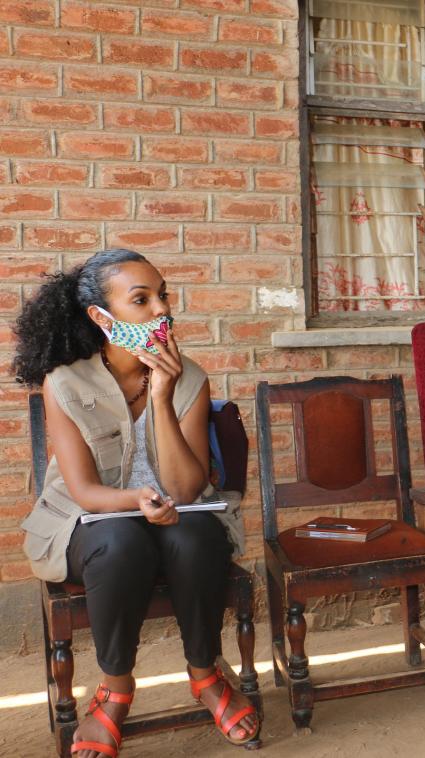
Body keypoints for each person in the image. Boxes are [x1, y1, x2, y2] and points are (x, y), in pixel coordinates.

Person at [15, 249, 256, 758]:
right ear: (102, 318)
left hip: (176, 512)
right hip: (91, 519)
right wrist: (135, 499)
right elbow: (84, 490)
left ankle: (205, 673)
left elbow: (187, 489)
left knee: (196, 535)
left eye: (163, 295)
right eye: (141, 300)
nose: (161, 310)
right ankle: (115, 688)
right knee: (120, 540)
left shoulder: (188, 375)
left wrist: (163, 397)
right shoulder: (65, 381)